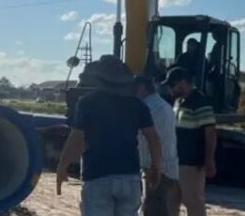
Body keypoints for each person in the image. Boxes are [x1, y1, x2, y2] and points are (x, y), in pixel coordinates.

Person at [56, 55, 163, 216]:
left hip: (97, 176)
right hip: (130, 177)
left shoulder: (87, 103)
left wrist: (62, 167)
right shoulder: (137, 105)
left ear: (98, 79)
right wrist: (157, 167)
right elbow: (153, 137)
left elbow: (76, 137)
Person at [162, 67, 217, 216]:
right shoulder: (178, 102)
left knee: (193, 202)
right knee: (171, 202)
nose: (170, 89)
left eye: (172, 85)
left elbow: (210, 132)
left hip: (191, 164)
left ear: (182, 83)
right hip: (175, 161)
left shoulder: (199, 101)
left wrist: (209, 160)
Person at [134, 76, 179, 216]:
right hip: (168, 168)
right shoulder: (165, 106)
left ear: (141, 87)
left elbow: (149, 139)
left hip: (156, 170)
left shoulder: (146, 108)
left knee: (152, 210)